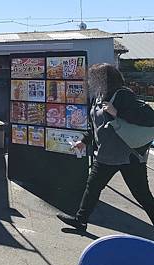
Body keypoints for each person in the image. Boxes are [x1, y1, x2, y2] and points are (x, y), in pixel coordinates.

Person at [57, 63, 154, 231]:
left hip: (128, 155)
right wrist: (83, 142)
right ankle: (80, 221)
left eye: (94, 78)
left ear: (104, 79)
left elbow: (149, 117)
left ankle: (80, 220)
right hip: (105, 154)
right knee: (92, 187)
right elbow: (96, 125)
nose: (90, 81)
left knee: (142, 195)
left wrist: (117, 112)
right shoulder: (99, 97)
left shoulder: (123, 95)